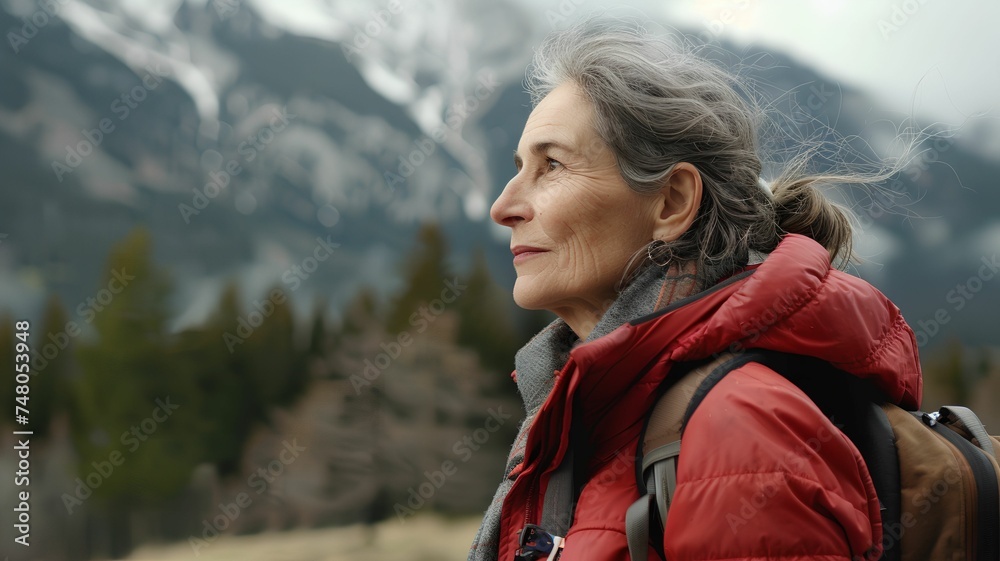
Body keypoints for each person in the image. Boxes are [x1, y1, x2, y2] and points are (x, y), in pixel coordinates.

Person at [467, 19, 922, 561]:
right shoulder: (600, 413)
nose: (503, 207)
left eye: (553, 165)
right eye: (520, 167)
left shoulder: (739, 439)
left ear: (671, 202)